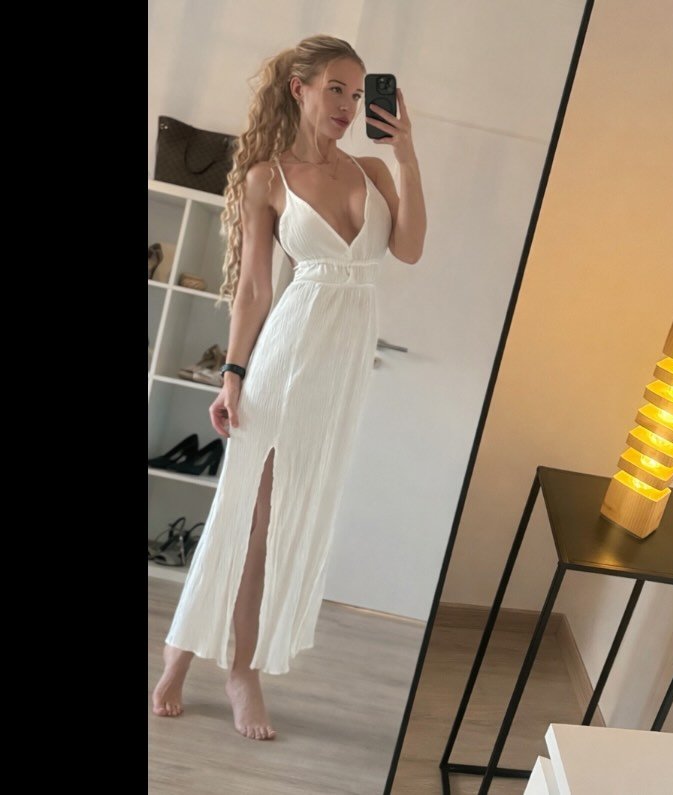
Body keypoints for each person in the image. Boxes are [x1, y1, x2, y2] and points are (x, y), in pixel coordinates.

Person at [151, 34, 427, 741]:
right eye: (336, 88)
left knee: (285, 519)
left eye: (358, 94)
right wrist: (232, 377)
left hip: (339, 371)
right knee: (246, 516)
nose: (348, 105)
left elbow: (409, 248)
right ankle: (206, 664)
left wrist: (406, 153)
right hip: (284, 356)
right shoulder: (266, 177)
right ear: (299, 88)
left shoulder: (373, 168)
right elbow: (253, 288)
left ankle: (229, 663)